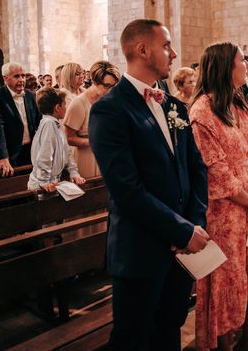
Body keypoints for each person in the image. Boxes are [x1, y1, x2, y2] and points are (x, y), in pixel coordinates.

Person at [89, 19, 208, 351]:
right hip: (141, 249)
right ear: (142, 49)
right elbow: (127, 191)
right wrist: (181, 231)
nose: (173, 53)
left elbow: (196, 167)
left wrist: (195, 222)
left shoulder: (172, 105)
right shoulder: (109, 110)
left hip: (181, 249)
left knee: (170, 327)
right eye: (166, 45)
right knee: (132, 338)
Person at [190, 42, 248, 350]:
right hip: (225, 214)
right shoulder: (202, 113)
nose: (247, 66)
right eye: (242, 61)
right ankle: (225, 342)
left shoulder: (238, 105)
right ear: (225, 67)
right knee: (230, 283)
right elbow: (218, 174)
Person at [64, 61, 121, 179]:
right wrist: (95, 141)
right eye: (107, 86)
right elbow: (68, 138)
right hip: (86, 158)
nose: (112, 90)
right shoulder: (79, 103)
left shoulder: (110, 100)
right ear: (94, 82)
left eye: (114, 86)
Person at [27, 88, 85, 192]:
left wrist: (74, 172)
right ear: (57, 107)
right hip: (41, 185)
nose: (66, 107)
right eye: (65, 104)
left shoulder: (56, 124)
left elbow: (67, 151)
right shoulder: (48, 124)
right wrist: (44, 181)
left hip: (52, 182)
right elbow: (45, 155)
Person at [0, 62, 42, 176]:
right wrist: (3, 157)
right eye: (16, 76)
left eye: (23, 76)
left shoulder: (30, 95)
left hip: (31, 151)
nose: (22, 80)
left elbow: (39, 122)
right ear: (5, 78)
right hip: (11, 153)